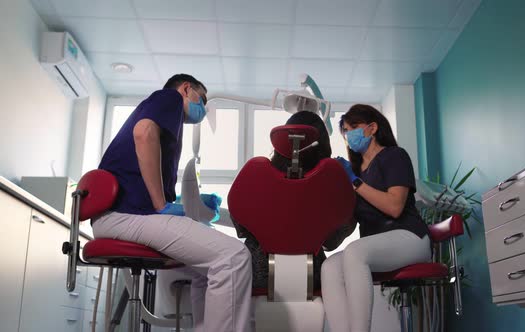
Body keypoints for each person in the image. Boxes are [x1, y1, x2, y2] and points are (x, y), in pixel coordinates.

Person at [92, 74, 254, 332]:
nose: (204, 108)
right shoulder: (169, 98)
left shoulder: (167, 123)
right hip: (125, 215)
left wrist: (184, 202)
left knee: (206, 271)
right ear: (186, 89)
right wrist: (160, 205)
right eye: (202, 99)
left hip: (120, 214)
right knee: (234, 257)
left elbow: (139, 176)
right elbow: (143, 134)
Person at [321, 104, 431, 332]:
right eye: (345, 132)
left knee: (355, 251)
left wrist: (354, 182)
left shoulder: (394, 156)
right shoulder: (357, 171)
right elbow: (350, 224)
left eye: (353, 128)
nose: (348, 135)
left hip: (411, 238)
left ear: (372, 128)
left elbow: (394, 207)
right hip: (376, 247)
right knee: (330, 266)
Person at [233, 111, 356, 289]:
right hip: (311, 274)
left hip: (259, 272)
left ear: (283, 139)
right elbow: (332, 240)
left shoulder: (258, 175)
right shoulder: (330, 183)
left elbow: (241, 227)